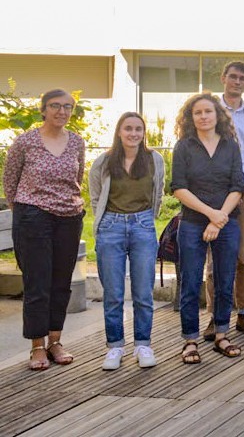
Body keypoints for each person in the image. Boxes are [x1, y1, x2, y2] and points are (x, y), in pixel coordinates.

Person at [4, 89, 86, 371]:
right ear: (43, 109)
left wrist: (67, 206)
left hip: (69, 217)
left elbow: (77, 179)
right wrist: (26, 212)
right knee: (37, 283)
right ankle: (37, 346)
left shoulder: (77, 142)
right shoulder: (25, 142)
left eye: (67, 107)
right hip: (33, 217)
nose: (61, 111)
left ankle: (55, 341)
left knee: (61, 283)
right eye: (55, 106)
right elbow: (10, 182)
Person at [170, 93, 244, 364]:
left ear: (218, 115)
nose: (203, 116)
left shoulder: (230, 146)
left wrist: (219, 218)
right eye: (197, 112)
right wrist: (210, 215)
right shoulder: (184, 147)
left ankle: (222, 334)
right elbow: (178, 187)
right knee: (190, 281)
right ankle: (190, 340)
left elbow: (238, 185)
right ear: (191, 118)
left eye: (208, 112)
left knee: (225, 280)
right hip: (192, 222)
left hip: (226, 222)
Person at [90, 112, 165, 370]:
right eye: (128, 128)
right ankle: (115, 346)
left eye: (138, 129)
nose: (133, 133)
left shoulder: (154, 159)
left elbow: (159, 191)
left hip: (143, 226)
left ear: (144, 133)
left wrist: (148, 220)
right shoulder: (104, 161)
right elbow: (95, 196)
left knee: (144, 292)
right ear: (119, 131)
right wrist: (104, 224)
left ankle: (143, 344)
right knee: (113, 293)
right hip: (110, 226)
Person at [203, 61, 244, 339]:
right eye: (233, 77)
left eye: (243, 78)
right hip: (215, 187)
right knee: (214, 255)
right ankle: (216, 316)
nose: (237, 81)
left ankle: (243, 312)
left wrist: (242, 185)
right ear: (223, 78)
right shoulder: (210, 111)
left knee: (243, 253)